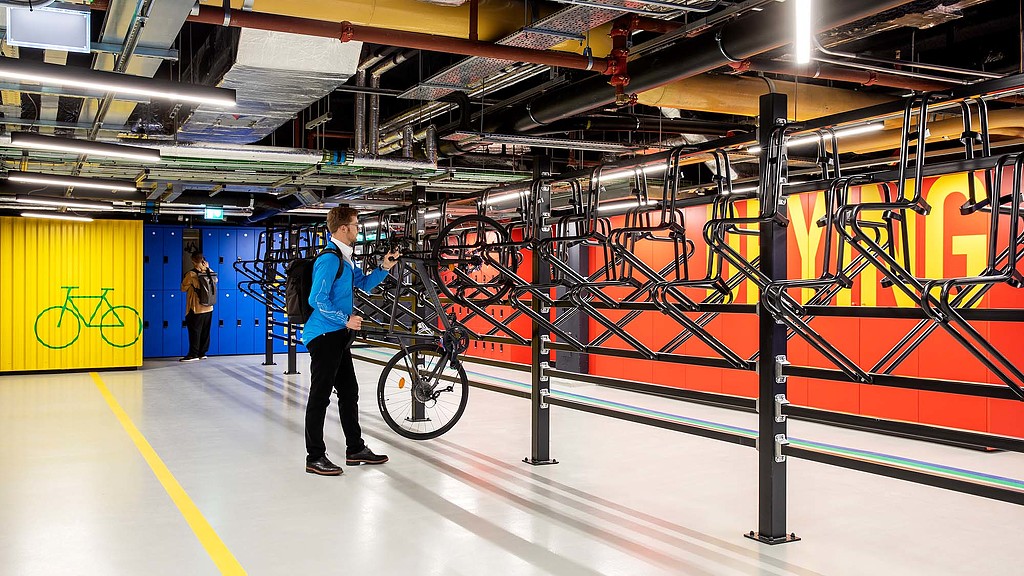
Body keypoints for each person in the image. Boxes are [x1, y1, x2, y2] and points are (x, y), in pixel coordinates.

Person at [303, 207, 400, 476]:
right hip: (324, 335)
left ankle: (355, 448)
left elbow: (364, 284)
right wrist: (345, 319)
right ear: (343, 227)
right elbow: (317, 299)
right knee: (320, 396)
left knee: (349, 392)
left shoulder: (345, 258)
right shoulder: (329, 259)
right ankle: (315, 456)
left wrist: (385, 266)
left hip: (337, 336)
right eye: (356, 225)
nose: (358, 229)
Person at [180, 252, 214, 362]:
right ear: (203, 260)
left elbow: (183, 288)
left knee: (194, 331)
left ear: (193, 261)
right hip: (208, 307)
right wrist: (207, 268)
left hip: (196, 308)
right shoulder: (210, 272)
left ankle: (193, 354)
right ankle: (202, 353)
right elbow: (215, 282)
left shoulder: (191, 274)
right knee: (205, 331)